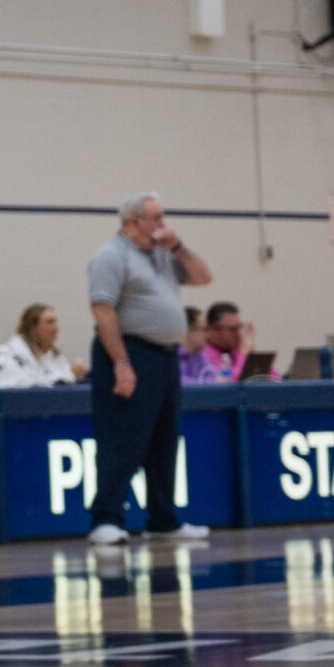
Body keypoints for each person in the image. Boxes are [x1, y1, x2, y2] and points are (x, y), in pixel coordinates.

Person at [88, 192, 214, 545]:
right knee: (122, 440)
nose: (162, 224)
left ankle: (163, 519)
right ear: (133, 222)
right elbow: (102, 311)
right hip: (131, 352)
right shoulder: (110, 256)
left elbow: (204, 278)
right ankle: (106, 519)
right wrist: (121, 363)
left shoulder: (162, 256)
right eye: (156, 218)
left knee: (164, 440)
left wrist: (179, 247)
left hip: (164, 357)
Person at [0, 303, 84, 386]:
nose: (56, 327)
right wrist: (69, 374)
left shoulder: (54, 354)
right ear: (33, 327)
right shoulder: (13, 351)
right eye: (50, 322)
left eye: (56, 322)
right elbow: (30, 380)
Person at [198, 301, 256, 382]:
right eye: (233, 329)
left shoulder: (233, 350)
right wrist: (244, 353)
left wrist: (251, 355)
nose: (238, 333)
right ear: (213, 330)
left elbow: (272, 378)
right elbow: (228, 382)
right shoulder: (203, 353)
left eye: (239, 327)